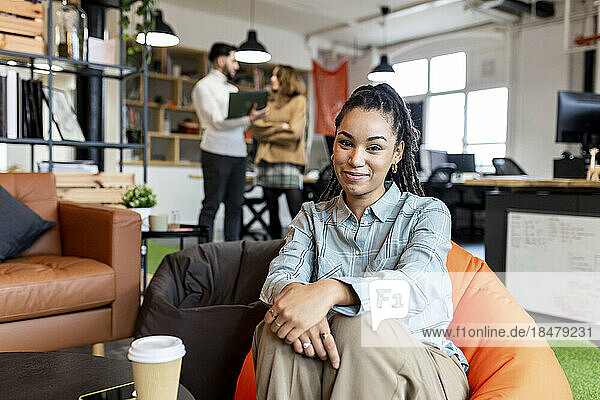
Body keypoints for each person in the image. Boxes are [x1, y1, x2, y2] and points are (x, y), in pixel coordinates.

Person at [253, 84, 469, 399]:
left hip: (423, 365)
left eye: (374, 147)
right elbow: (279, 277)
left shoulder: (428, 212)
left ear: (397, 153)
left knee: (359, 328)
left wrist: (330, 292)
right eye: (346, 143)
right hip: (330, 357)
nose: (355, 159)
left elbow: (417, 284)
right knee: (278, 328)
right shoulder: (312, 217)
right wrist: (301, 305)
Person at [192, 42, 268, 242]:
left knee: (235, 205)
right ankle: (204, 252)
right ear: (220, 60)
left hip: (238, 154)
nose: (236, 66)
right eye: (233, 61)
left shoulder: (233, 89)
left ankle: (232, 253)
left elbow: (239, 126)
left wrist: (252, 117)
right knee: (212, 205)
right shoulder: (203, 87)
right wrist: (249, 119)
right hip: (215, 151)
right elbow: (217, 122)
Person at [251, 65, 307, 239]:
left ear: (286, 79)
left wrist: (270, 133)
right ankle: (273, 249)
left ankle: (301, 247)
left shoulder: (299, 101)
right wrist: (281, 126)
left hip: (290, 162)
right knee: (271, 212)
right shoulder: (268, 103)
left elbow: (294, 133)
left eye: (276, 76)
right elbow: (257, 131)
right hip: (267, 161)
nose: (272, 79)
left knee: (296, 212)